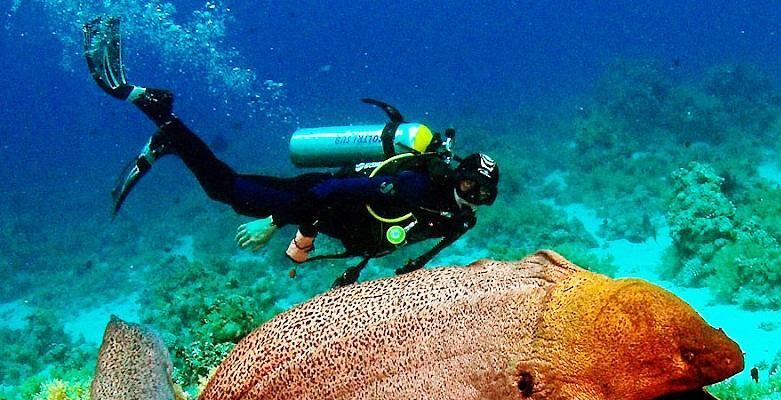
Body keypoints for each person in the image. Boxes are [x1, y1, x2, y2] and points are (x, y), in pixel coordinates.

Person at [83, 16, 500, 287]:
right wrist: (275, 222)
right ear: (458, 174)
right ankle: (163, 118)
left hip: (324, 219)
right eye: (470, 184)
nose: (472, 195)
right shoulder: (413, 186)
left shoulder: (459, 218)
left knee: (228, 189)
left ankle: (168, 137)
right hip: (312, 197)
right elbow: (331, 192)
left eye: (482, 194)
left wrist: (311, 238)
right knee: (225, 189)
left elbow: (418, 255)